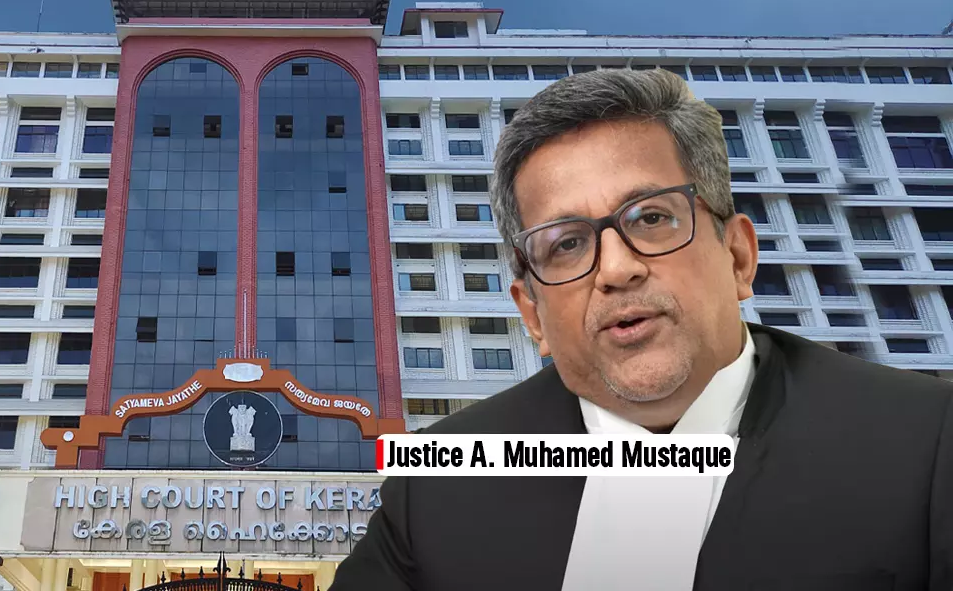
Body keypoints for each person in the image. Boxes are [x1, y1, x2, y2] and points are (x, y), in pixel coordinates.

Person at [331, 69, 952, 590]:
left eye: (651, 218)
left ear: (738, 256)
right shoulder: (438, 486)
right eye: (567, 243)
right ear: (532, 315)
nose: (616, 268)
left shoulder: (925, 445)